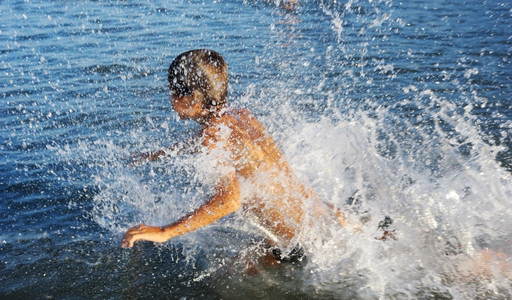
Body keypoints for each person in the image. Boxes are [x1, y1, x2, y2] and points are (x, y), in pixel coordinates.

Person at [121, 49, 344, 264]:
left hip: (297, 243)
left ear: (193, 101)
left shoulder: (213, 134)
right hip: (320, 215)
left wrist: (165, 231)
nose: (170, 98)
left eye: (174, 92)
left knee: (234, 271)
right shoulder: (239, 116)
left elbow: (229, 200)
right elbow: (208, 142)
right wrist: (158, 154)